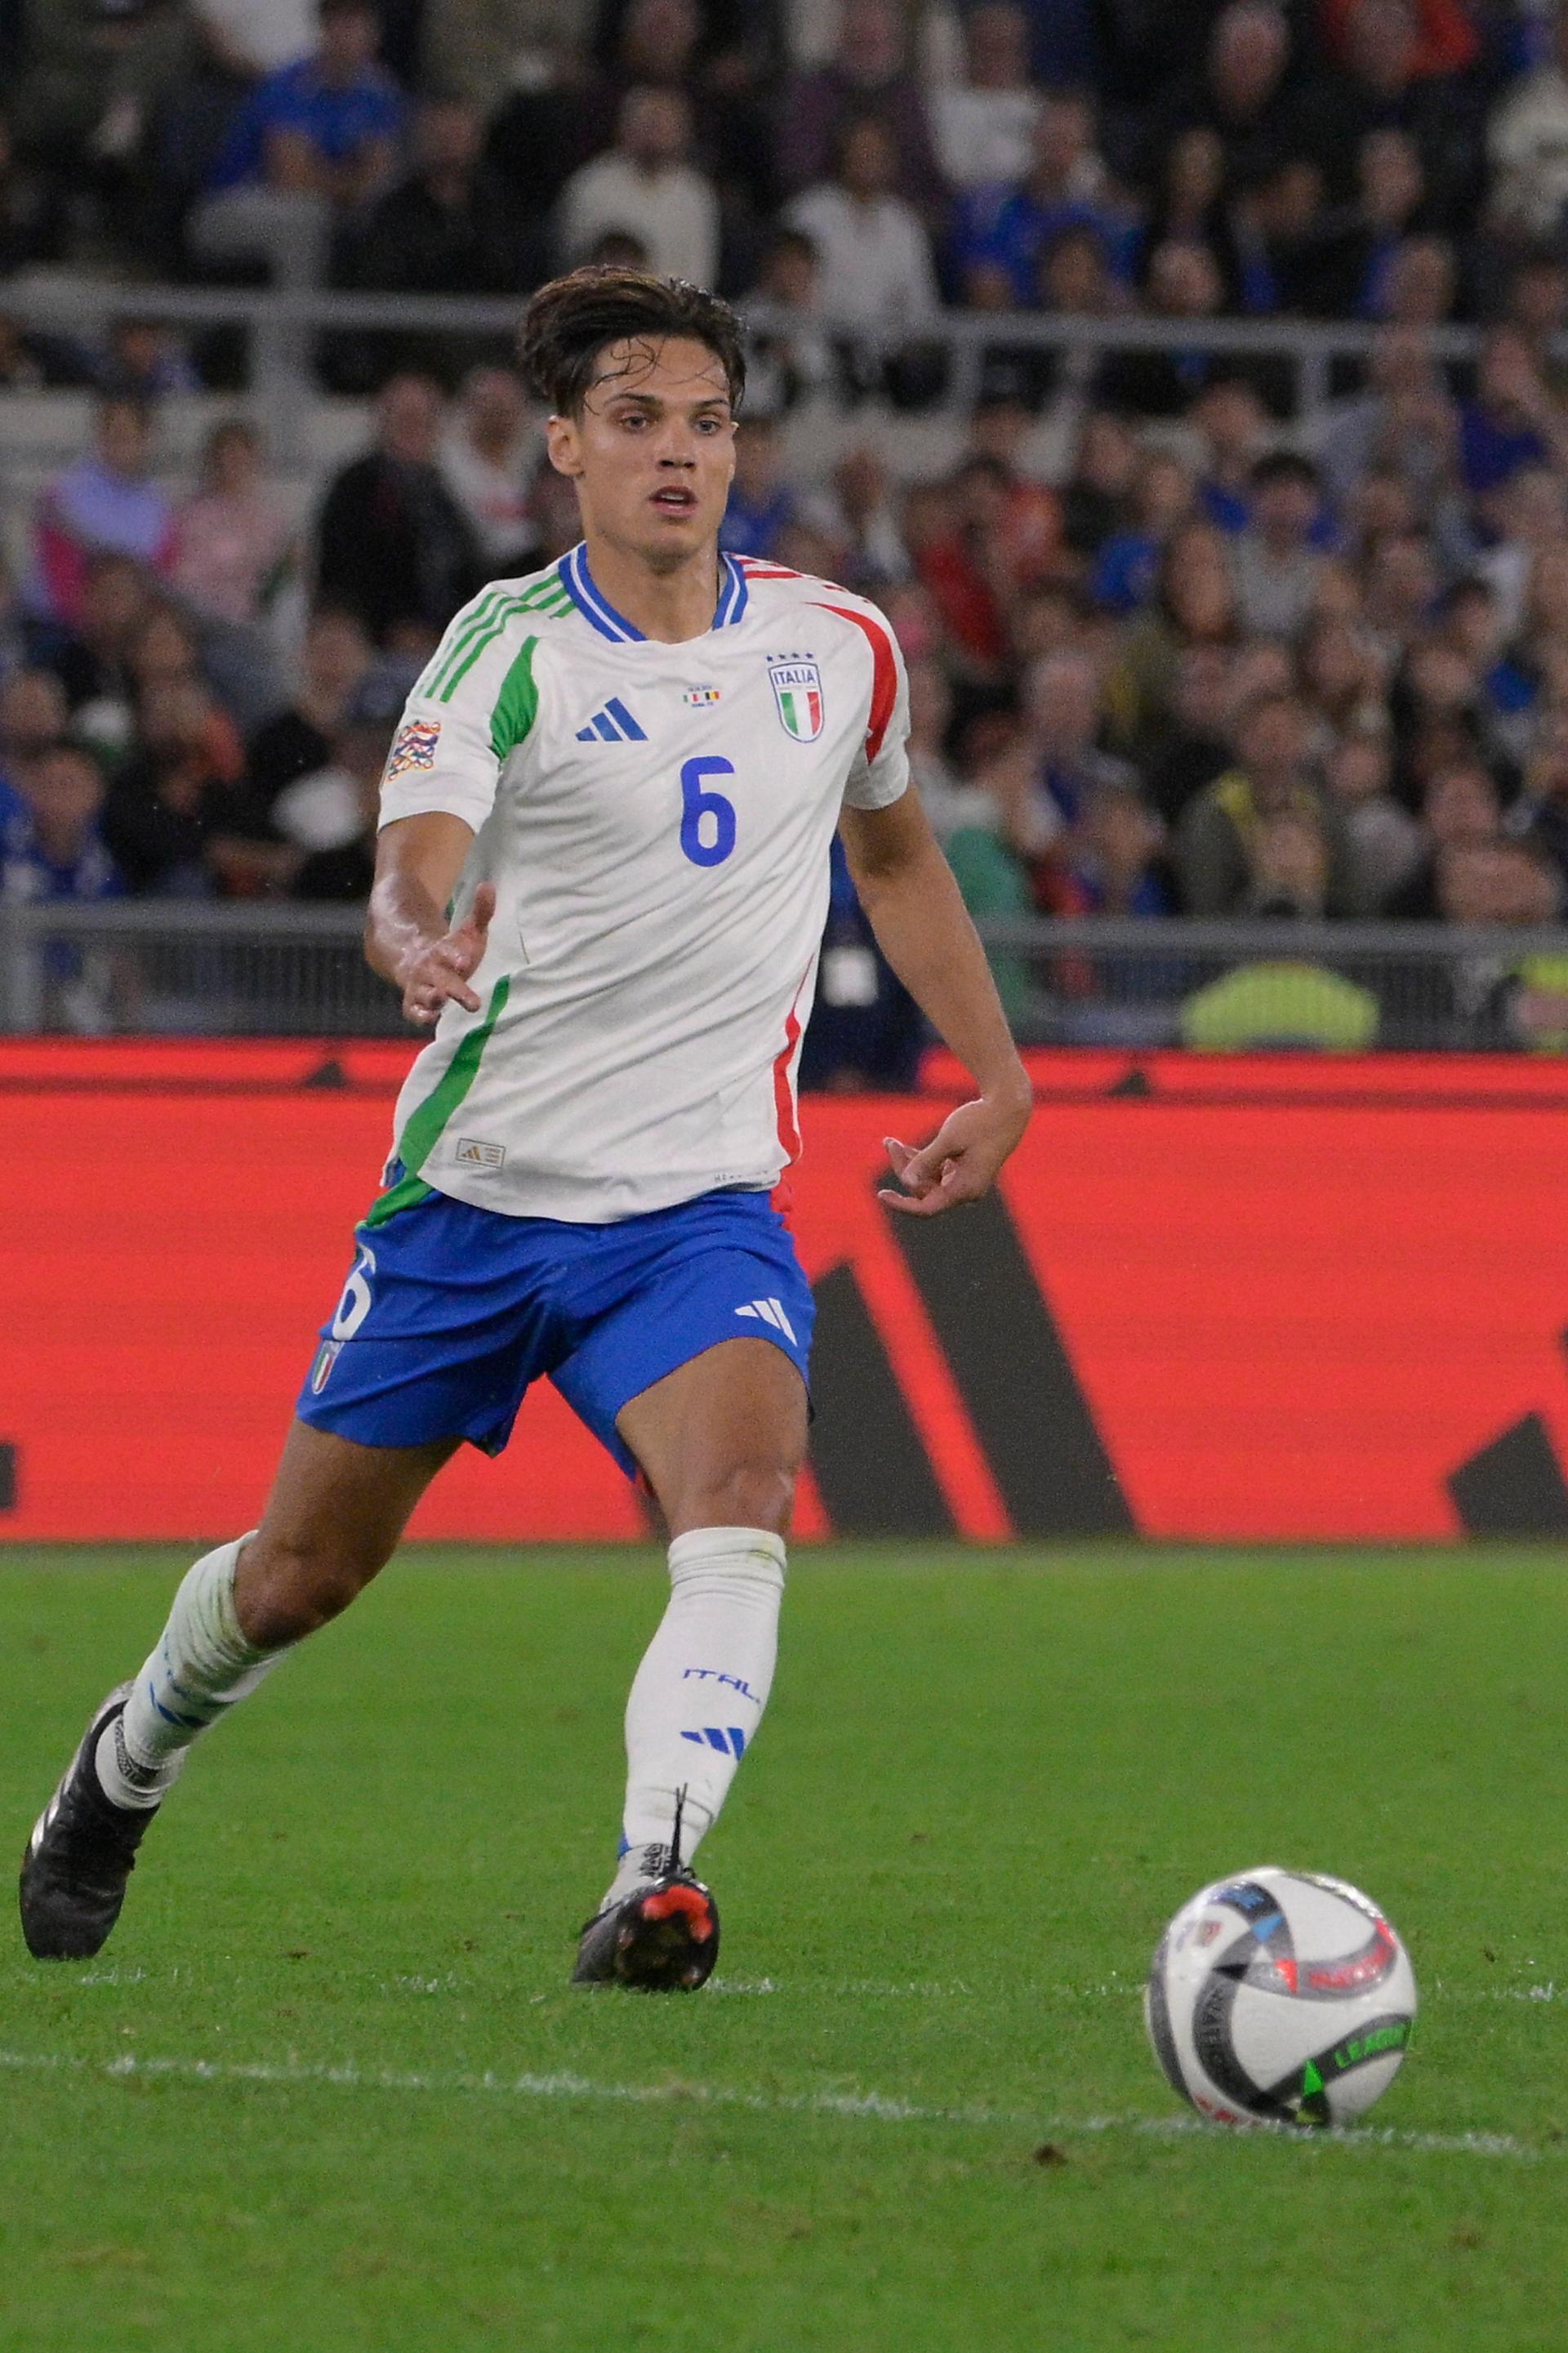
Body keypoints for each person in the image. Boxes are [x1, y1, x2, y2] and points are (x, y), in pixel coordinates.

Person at [20, 266, 1032, 1989]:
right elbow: (415, 848)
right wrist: (414, 931)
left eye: (705, 424)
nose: (677, 456)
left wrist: (998, 1072)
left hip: (696, 1202)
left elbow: (897, 855)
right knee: (294, 1580)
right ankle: (122, 1767)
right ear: (565, 445)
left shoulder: (836, 646)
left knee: (742, 1491)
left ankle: (657, 1878)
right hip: (475, 1205)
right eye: (635, 422)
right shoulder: (511, 645)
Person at [314, 376, 487, 654]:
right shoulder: (355, 488)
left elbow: (466, 571)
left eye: (423, 420)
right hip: (377, 643)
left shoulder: (442, 493)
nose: (414, 429)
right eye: (405, 418)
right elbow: (345, 574)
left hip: (443, 638)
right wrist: (391, 629)